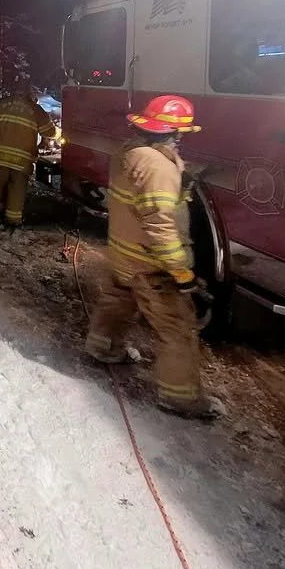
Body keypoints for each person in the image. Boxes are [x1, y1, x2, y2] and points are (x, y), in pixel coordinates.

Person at [84, 94, 223, 420]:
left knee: (119, 300)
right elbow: (160, 224)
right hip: (151, 263)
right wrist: (180, 271)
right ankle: (180, 397)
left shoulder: (129, 151)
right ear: (175, 133)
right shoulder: (159, 167)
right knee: (176, 327)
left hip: (123, 252)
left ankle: (102, 346)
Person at [0, 78, 56, 228]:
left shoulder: (1, 104)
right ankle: (13, 220)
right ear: (29, 93)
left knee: (0, 182)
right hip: (21, 159)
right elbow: (49, 131)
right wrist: (58, 133)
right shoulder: (34, 109)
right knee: (17, 187)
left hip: (0, 155)